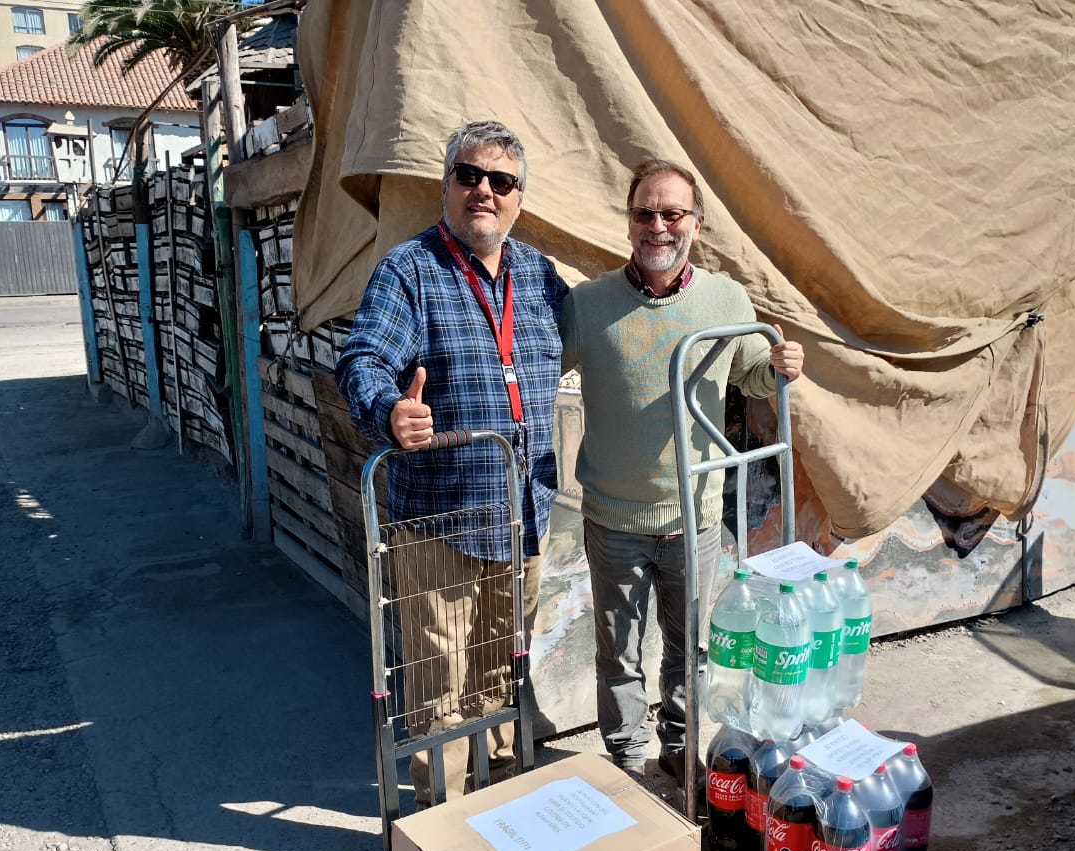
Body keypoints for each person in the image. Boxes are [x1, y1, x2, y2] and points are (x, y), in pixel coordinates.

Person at [334, 120, 567, 807]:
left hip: (523, 516)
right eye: (469, 176)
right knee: (441, 689)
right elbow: (364, 359)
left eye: (501, 181)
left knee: (502, 675)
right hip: (442, 522)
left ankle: (500, 806)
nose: (484, 192)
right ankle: (446, 832)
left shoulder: (538, 275)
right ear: (447, 186)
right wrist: (388, 410)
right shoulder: (409, 270)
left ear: (519, 197)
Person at [559, 157, 805, 782]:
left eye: (673, 214)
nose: (658, 227)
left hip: (694, 516)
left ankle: (678, 748)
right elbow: (534, 367)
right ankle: (625, 762)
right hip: (614, 518)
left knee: (688, 649)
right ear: (630, 223)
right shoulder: (588, 306)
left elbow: (752, 374)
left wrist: (780, 364)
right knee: (618, 652)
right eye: (645, 213)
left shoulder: (725, 298)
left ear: (697, 224)